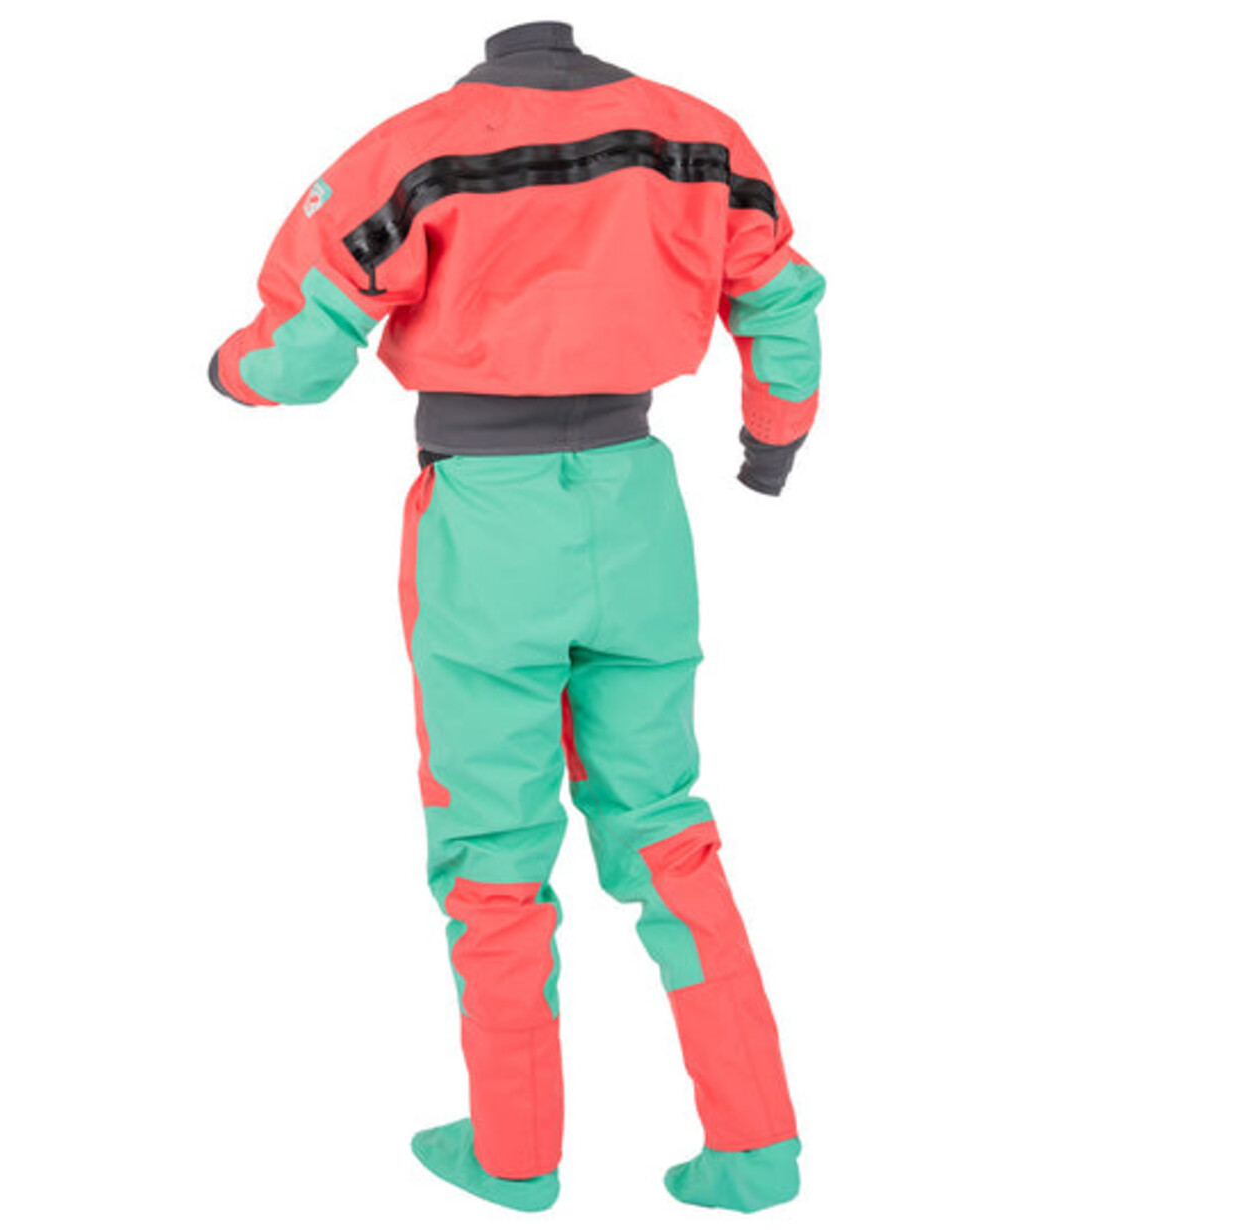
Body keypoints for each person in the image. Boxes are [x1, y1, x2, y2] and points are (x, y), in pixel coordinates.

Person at [209, 19, 825, 1214]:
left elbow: (298, 356)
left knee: (493, 849)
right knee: (668, 829)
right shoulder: (699, 136)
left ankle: (513, 1152)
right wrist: (771, 446)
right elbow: (781, 299)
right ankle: (756, 1149)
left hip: (487, 525)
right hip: (640, 510)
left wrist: (227, 372)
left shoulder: (421, 146)